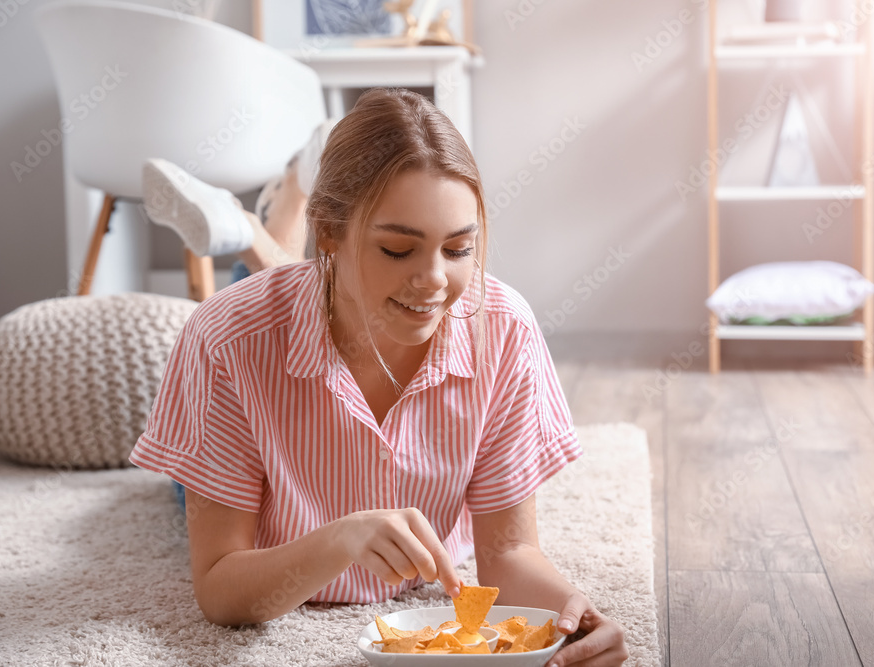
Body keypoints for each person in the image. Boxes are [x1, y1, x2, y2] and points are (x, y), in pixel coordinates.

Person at [130, 88, 628, 666]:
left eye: (460, 248)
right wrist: (339, 540)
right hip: (260, 479)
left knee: (327, 286)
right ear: (331, 231)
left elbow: (509, 551)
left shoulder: (504, 330)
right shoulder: (227, 340)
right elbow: (220, 590)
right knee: (176, 485)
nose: (434, 280)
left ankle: (280, 210)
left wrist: (571, 615)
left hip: (320, 288)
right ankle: (277, 212)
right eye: (397, 250)